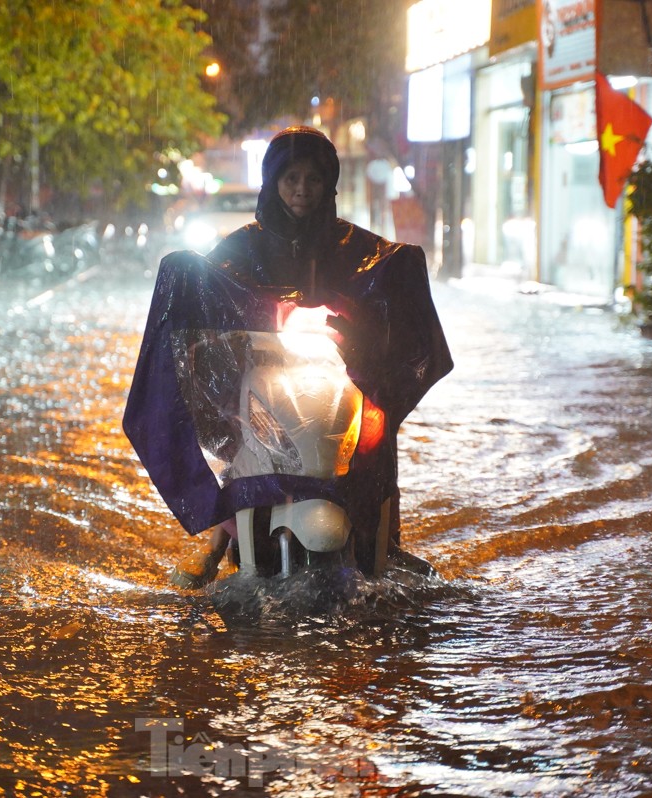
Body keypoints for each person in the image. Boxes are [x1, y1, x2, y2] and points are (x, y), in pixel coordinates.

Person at [164, 125, 453, 588]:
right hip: (263, 371)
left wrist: (400, 275)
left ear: (329, 185)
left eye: (313, 180)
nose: (302, 189)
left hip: (339, 373)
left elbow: (383, 280)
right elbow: (211, 297)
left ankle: (385, 539)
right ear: (273, 182)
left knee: (376, 433)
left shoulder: (356, 248)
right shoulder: (241, 247)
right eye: (291, 178)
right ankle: (216, 543)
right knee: (244, 438)